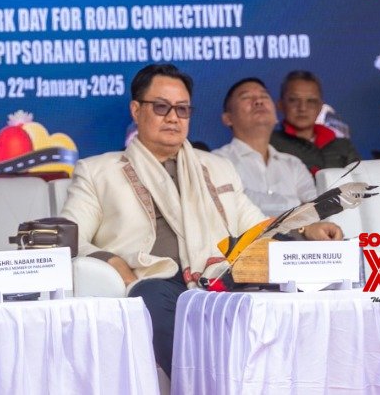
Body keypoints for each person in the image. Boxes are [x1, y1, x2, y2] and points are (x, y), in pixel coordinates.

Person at [61, 63, 342, 374]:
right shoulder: (98, 171)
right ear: (136, 110)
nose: (173, 117)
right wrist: (110, 260)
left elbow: (257, 226)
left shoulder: (217, 167)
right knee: (149, 295)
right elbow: (68, 240)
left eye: (182, 109)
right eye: (161, 107)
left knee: (289, 271)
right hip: (156, 280)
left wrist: (306, 229)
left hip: (220, 276)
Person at [214, 78, 316, 216]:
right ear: (228, 118)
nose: (258, 101)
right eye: (246, 97)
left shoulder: (294, 164)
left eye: (264, 96)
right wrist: (296, 205)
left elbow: (316, 209)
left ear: (276, 116)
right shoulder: (217, 161)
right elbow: (238, 205)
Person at [271, 71, 360, 173]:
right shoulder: (269, 145)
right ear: (280, 105)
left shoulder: (344, 146)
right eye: (293, 100)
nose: (303, 108)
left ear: (320, 107)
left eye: (311, 101)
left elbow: (360, 180)